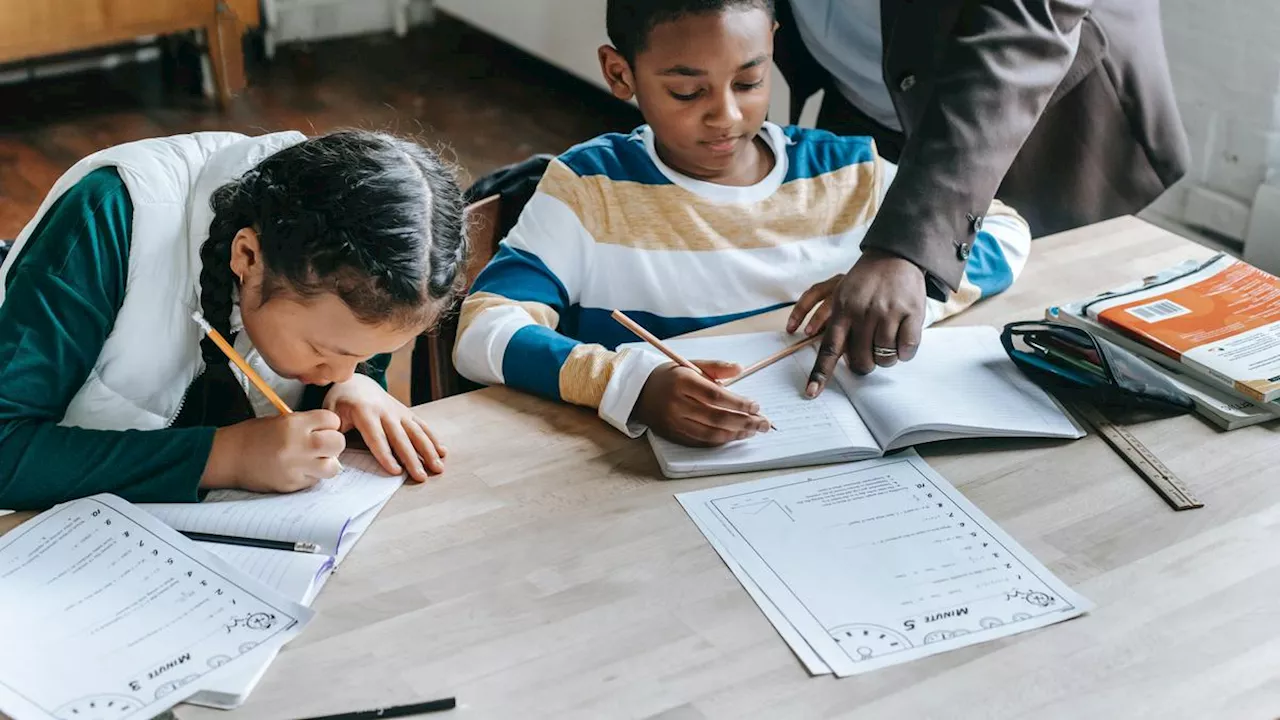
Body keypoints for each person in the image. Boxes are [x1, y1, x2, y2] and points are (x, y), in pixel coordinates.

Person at [452, 0, 1031, 447]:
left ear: (773, 48)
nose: (727, 115)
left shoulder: (846, 169)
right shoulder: (590, 188)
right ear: (620, 73)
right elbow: (483, 331)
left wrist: (904, 285)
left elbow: (1005, 232)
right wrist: (629, 384)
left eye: (750, 81)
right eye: (686, 91)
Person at [0, 129, 467, 510]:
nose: (345, 368)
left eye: (371, 356)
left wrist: (352, 389)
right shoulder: (109, 216)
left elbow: (345, 364)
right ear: (247, 256)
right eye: (326, 353)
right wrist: (223, 458)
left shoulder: (356, 267)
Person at [770, 0, 1190, 394]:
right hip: (862, 100)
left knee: (1042, 361)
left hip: (1039, 121)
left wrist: (906, 247)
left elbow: (1023, 28)